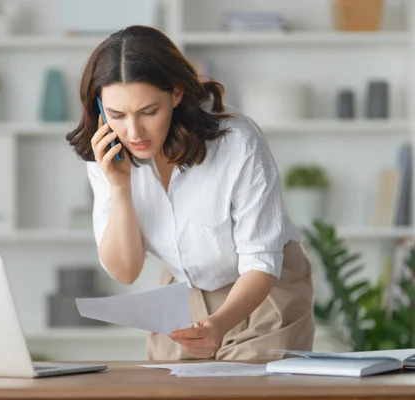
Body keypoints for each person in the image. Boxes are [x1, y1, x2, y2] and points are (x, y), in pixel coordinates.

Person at [65, 25, 314, 361]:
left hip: (261, 289)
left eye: (149, 112)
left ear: (177, 94)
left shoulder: (237, 142)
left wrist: (219, 323)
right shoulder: (107, 152)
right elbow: (126, 271)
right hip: (184, 292)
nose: (133, 131)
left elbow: (261, 262)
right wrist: (120, 187)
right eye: (117, 114)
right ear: (99, 106)